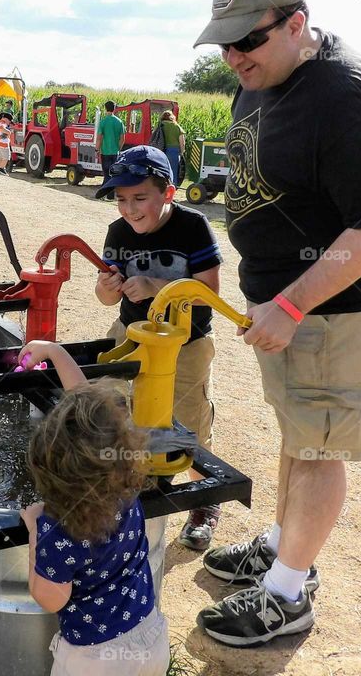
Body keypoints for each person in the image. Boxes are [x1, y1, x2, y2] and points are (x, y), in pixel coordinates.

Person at [190, 0, 361, 648]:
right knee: (299, 434)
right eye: (223, 44)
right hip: (290, 303)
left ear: (295, 23)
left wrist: (289, 305)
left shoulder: (343, 97)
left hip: (336, 309)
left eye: (246, 42)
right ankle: (283, 542)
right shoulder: (264, 75)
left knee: (318, 451)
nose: (233, 58)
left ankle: (288, 590)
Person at [94, 145, 224, 551]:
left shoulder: (194, 227)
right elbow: (105, 298)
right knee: (116, 409)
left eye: (139, 198)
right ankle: (132, 485)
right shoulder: (118, 233)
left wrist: (157, 288)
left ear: (167, 193)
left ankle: (204, 504)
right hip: (132, 336)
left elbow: (211, 291)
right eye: (120, 199)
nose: (129, 210)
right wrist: (106, 288)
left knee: (188, 423)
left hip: (185, 343)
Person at [19, 340, 170, 676]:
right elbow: (90, 414)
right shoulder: (127, 485)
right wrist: (55, 352)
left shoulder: (58, 531)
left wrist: (34, 529)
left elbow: (50, 598)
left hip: (93, 660)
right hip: (151, 637)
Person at [95, 101, 125, 196]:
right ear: (114, 108)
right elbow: (122, 138)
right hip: (114, 152)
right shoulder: (119, 122)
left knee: (106, 174)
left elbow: (99, 138)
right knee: (113, 174)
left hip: (105, 152)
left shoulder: (103, 122)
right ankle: (110, 195)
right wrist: (118, 148)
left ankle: (104, 192)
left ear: (105, 108)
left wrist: (97, 149)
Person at [159, 111, 186, 188]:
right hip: (174, 151)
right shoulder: (176, 126)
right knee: (173, 172)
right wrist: (181, 152)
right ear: (172, 117)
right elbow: (182, 142)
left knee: (162, 170)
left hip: (161, 150)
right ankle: (172, 190)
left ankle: (162, 188)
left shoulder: (160, 125)